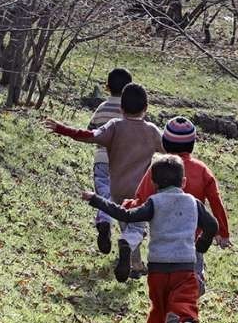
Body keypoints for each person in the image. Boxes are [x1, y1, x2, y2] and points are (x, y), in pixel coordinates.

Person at [82, 154, 218, 323]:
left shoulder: (154, 202)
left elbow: (125, 213)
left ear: (153, 184)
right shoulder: (193, 203)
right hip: (184, 264)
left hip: (158, 268)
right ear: (183, 182)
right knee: (185, 298)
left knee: (158, 310)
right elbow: (212, 225)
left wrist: (95, 199)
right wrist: (201, 245)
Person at [45, 83, 163, 281]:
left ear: (121, 108)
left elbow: (89, 136)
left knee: (127, 224)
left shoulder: (114, 126)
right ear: (146, 108)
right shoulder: (152, 131)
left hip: (116, 191)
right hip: (141, 192)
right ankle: (129, 251)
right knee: (136, 229)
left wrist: (62, 129)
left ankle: (134, 265)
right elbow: (171, 149)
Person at [128, 117, 230, 295]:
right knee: (192, 271)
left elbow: (141, 198)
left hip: (163, 238)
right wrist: (222, 232)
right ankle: (193, 289)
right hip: (192, 238)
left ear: (165, 143)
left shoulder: (158, 168)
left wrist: (128, 206)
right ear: (192, 144)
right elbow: (215, 201)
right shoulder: (202, 170)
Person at [86, 69, 133, 254]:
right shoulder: (130, 112)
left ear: (107, 87)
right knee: (122, 199)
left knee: (105, 193)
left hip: (102, 160)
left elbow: (91, 129)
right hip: (124, 162)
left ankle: (104, 220)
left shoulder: (102, 108)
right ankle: (128, 240)